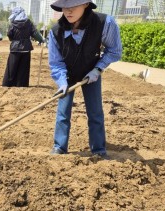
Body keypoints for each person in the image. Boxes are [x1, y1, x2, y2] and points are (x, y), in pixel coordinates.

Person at [48, 0, 122, 159]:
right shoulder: (56, 32)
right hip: (67, 74)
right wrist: (61, 82)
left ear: (86, 5)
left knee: (95, 112)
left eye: (73, 6)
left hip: (91, 72)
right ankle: (59, 147)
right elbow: (56, 62)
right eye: (65, 7)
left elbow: (114, 51)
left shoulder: (104, 23)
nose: (68, 11)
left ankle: (98, 150)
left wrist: (98, 69)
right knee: (63, 112)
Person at [2, 7, 45, 87]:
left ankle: (7, 84)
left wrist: (13, 39)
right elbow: (35, 33)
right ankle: (21, 85)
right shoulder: (28, 23)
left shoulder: (13, 23)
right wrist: (41, 40)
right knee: (23, 68)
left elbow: (9, 34)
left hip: (15, 48)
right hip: (26, 48)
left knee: (11, 68)